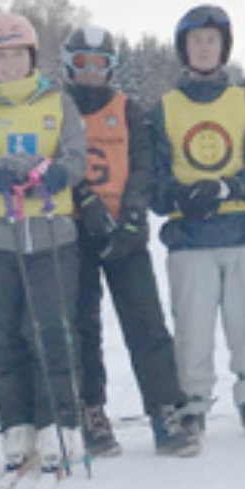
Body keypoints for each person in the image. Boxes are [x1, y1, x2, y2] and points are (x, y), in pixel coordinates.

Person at [0, 11, 89, 478]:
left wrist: (55, 172)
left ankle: (59, 422)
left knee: (51, 330)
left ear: (31, 57)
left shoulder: (58, 101)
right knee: (3, 334)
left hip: (51, 233)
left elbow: (76, 153)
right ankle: (17, 422)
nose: (8, 65)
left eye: (16, 55)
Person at [60, 25, 197, 457]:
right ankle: (91, 410)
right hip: (75, 230)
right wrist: (84, 200)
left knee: (146, 322)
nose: (91, 72)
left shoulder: (129, 109)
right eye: (82, 63)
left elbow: (143, 165)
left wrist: (133, 214)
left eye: (100, 63)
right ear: (68, 65)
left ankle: (164, 410)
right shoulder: (58, 108)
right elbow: (54, 159)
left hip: (125, 229)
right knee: (82, 325)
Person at [149, 5, 245, 440]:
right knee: (193, 323)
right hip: (190, 236)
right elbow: (153, 174)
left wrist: (229, 188)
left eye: (212, 41)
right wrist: (179, 196)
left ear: (223, 48)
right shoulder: (164, 109)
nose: (204, 48)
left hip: (241, 229)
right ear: (183, 49)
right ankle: (193, 402)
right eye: (195, 41)